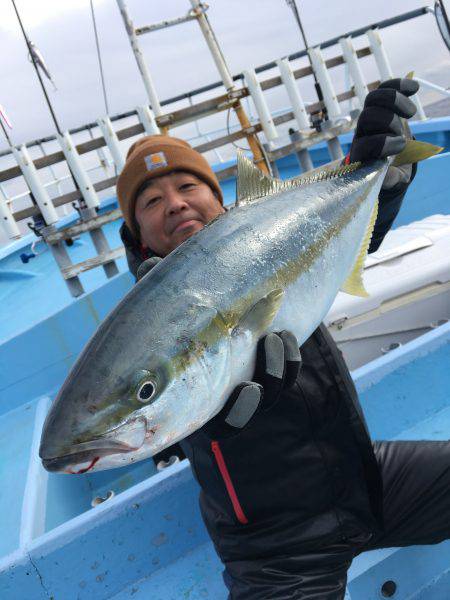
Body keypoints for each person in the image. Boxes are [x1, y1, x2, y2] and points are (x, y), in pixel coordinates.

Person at [116, 79, 450, 599]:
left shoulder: (267, 241)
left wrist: (378, 180)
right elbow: (159, 409)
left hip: (364, 481)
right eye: (152, 201)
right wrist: (209, 424)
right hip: (277, 547)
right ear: (138, 236)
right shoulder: (143, 337)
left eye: (187, 187)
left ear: (217, 198)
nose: (176, 204)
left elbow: (328, 252)